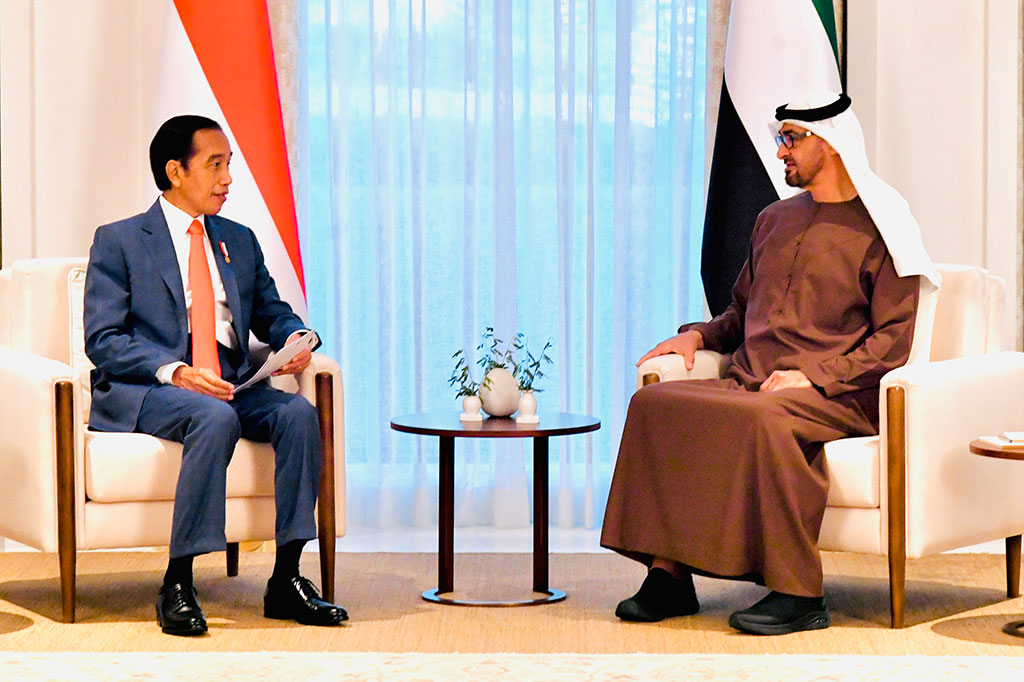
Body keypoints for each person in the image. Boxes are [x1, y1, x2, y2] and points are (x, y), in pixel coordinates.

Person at [600, 92, 939, 635]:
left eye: (791, 139)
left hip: (840, 395)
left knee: (765, 418)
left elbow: (892, 343)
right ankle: (669, 576)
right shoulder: (772, 219)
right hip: (754, 383)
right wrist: (695, 337)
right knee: (653, 403)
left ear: (827, 144)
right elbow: (739, 310)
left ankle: (799, 593)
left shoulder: (884, 227)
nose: (780, 151)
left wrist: (813, 376)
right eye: (779, 138)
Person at [84, 115, 347, 636]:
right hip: (155, 389)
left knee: (297, 414)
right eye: (216, 165)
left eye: (229, 165)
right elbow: (104, 340)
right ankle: (178, 582)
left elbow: (275, 313)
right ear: (175, 171)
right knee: (213, 417)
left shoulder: (238, 240)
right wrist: (176, 371)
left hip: (232, 384)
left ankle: (287, 577)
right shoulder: (119, 241)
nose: (228, 178)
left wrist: (299, 339)